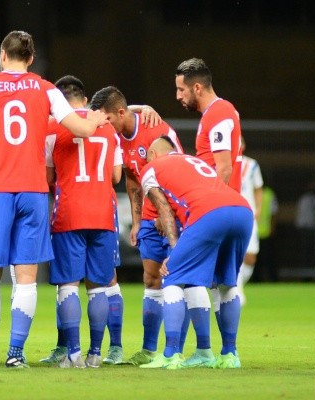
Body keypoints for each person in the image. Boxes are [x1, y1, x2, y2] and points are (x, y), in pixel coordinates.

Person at [0, 30, 108, 368]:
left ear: (2, 55)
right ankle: (16, 355)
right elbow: (82, 130)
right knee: (25, 276)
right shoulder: (45, 88)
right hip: (33, 191)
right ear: (30, 58)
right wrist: (96, 118)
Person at [89, 85, 189, 366]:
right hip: (147, 218)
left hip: (169, 215)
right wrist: (136, 222)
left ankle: (175, 351)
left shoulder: (157, 129)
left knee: (175, 279)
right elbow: (133, 180)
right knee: (151, 279)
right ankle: (148, 349)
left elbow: (180, 171)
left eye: (107, 119)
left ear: (121, 112)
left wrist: (168, 216)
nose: (104, 125)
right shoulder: (117, 137)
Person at [139, 136, 252, 369]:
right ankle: (228, 354)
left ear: (152, 155)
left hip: (208, 213)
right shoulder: (190, 160)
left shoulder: (151, 168)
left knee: (171, 277)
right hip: (242, 211)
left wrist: (175, 247)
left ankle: (170, 354)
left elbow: (165, 212)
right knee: (226, 283)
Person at [44, 75, 122, 368]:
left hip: (69, 212)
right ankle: (95, 354)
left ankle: (73, 354)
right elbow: (116, 177)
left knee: (68, 286)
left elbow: (48, 178)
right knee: (98, 287)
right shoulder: (108, 129)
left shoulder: (53, 128)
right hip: (103, 213)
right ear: (85, 98)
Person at [175, 57, 243, 359]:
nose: (178, 96)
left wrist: (205, 206)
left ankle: (203, 351)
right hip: (228, 207)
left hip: (215, 210)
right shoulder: (219, 113)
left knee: (190, 276)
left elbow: (224, 167)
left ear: (197, 87)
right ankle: (229, 354)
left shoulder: (218, 113)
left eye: (181, 90)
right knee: (223, 283)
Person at [238, 139, 264, 305]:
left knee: (250, 256)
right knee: (232, 254)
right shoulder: (219, 162)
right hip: (231, 213)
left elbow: (258, 187)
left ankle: (237, 285)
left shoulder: (252, 165)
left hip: (249, 214)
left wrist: (259, 209)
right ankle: (236, 289)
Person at [256, 184, 279, 281]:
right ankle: (259, 279)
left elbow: (274, 213)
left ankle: (269, 279)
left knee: (267, 259)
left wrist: (273, 228)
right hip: (262, 232)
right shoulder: (269, 194)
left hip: (263, 232)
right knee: (260, 259)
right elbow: (275, 213)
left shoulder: (268, 194)